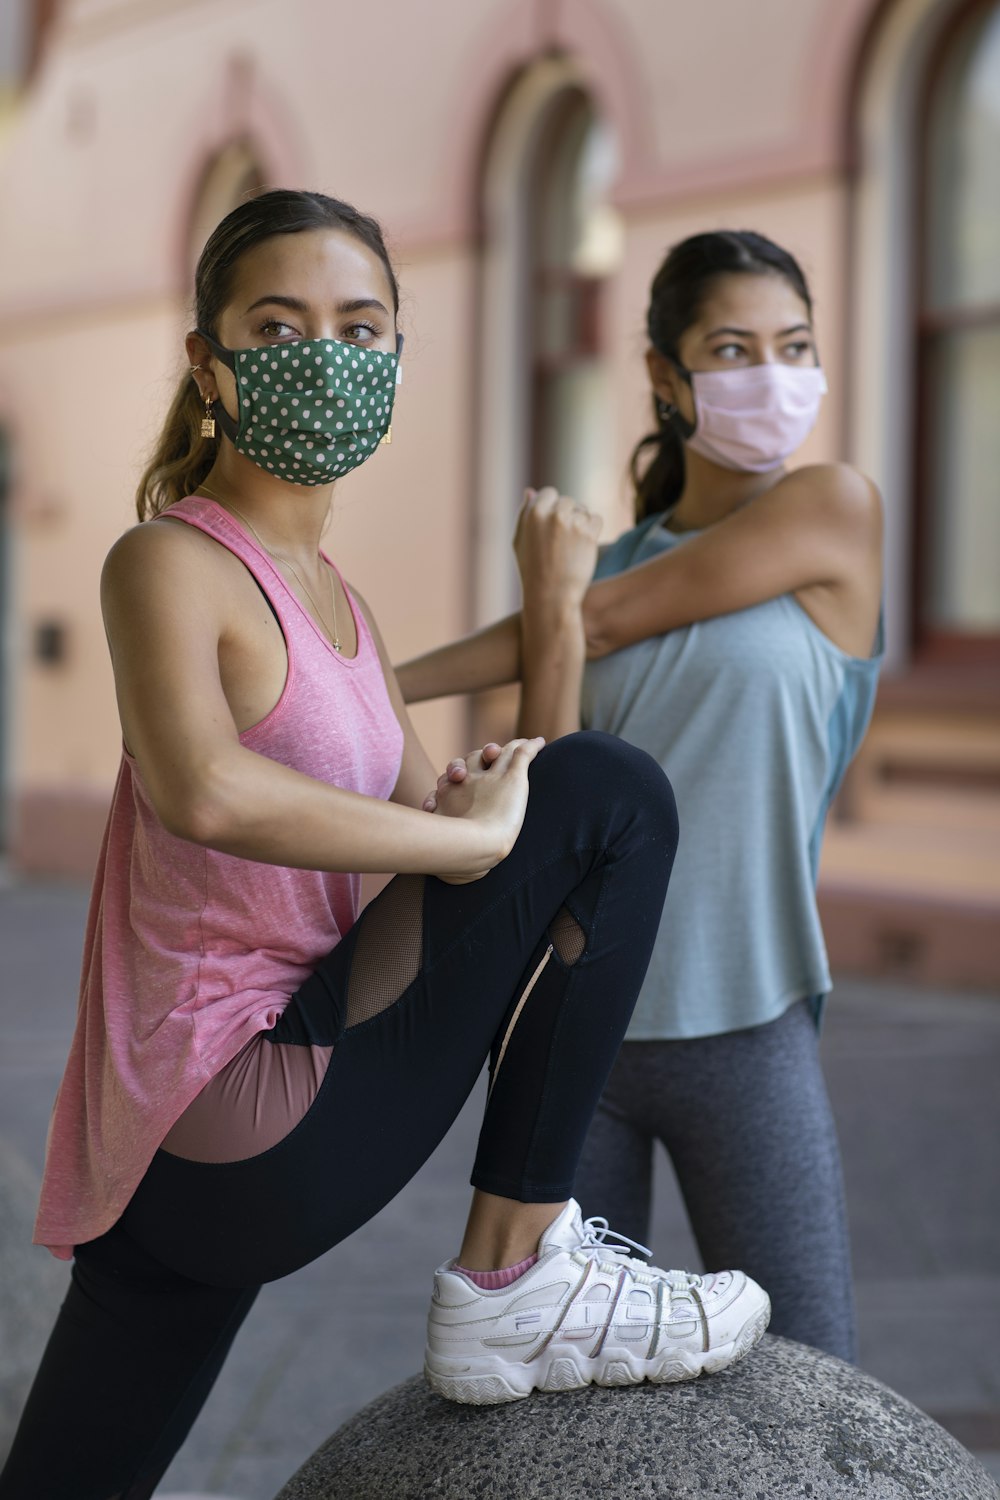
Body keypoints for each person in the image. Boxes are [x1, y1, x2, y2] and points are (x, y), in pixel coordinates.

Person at [0, 195, 772, 1500]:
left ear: (398, 359)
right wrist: (455, 831)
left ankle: (519, 1270)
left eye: (361, 328)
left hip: (248, 1124)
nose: (326, 353)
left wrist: (551, 613)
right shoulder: (169, 562)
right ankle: (514, 1272)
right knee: (613, 789)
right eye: (280, 324)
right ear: (210, 363)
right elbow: (206, 788)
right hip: (225, 1105)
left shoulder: (343, 608)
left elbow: (523, 853)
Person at [398, 229, 884, 1364]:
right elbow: (556, 801)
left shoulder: (833, 512)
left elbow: (598, 620)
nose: (771, 374)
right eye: (731, 347)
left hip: (743, 1027)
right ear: (666, 379)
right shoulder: (599, 569)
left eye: (793, 345)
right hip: (576, 1031)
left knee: (814, 1381)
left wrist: (547, 602)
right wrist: (373, 677)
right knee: (570, 1400)